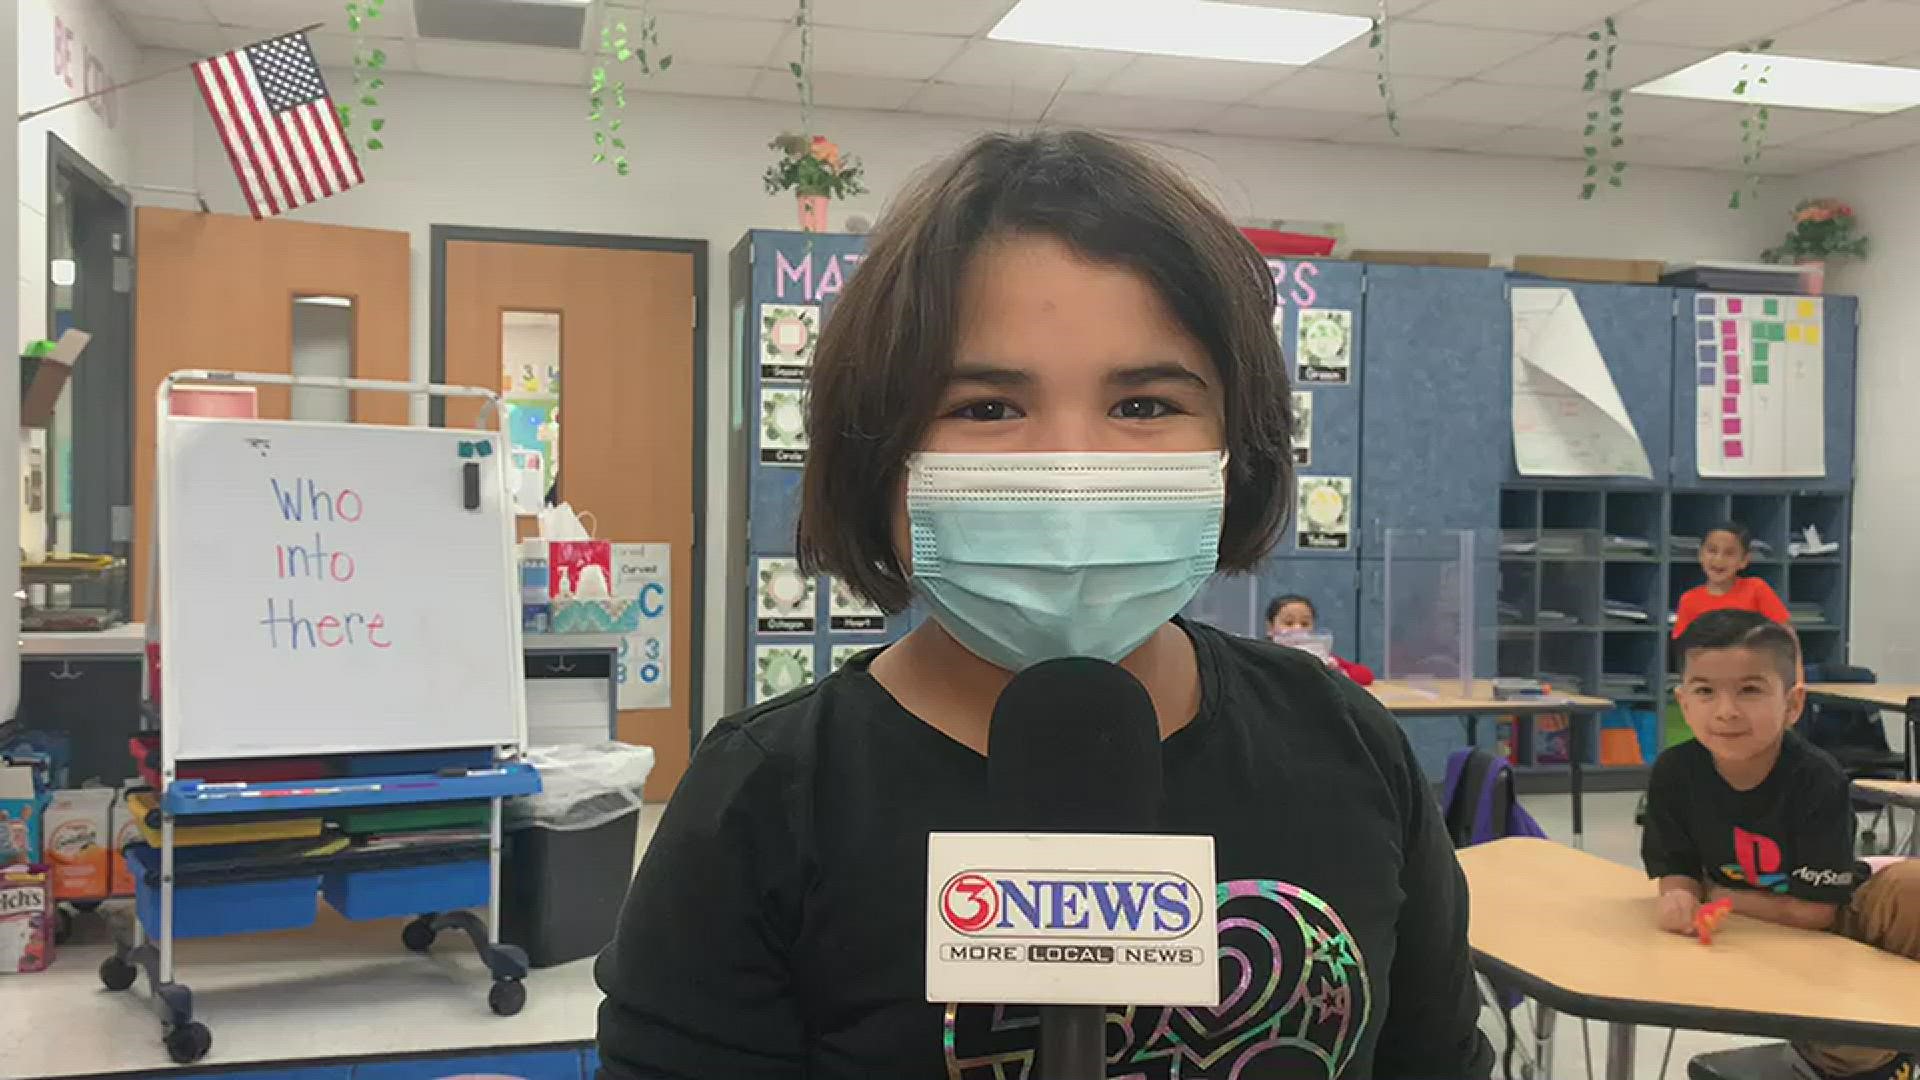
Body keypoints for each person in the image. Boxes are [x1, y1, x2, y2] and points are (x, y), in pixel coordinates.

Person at [595, 131, 1491, 1080]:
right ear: (881, 452)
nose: (1074, 470)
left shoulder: (1348, 745)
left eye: (1144, 405)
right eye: (986, 407)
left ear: (1239, 445)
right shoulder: (767, 801)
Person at [1642, 609, 1920, 1080]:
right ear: (1683, 702)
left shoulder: (1817, 778)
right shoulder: (1674, 773)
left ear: (1792, 705)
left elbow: (1817, 912)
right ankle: (1859, 1052)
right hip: (1751, 925)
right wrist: (1679, 896)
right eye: (1705, 691)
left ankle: (1895, 1041)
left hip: (1832, 909)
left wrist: (1717, 895)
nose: (1726, 710)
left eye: (1749, 690)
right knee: (1847, 1045)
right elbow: (1677, 867)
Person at [1672, 521, 1791, 639]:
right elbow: (1682, 646)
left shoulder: (1756, 589)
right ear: (1700, 555)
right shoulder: (1689, 600)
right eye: (1712, 551)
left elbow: (1786, 634)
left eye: (1729, 553)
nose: (1719, 559)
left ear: (1744, 560)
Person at [1265, 593, 1375, 686]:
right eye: (1288, 623)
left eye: (1305, 624)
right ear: (1270, 627)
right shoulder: (1262, 655)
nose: (1297, 629)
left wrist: (1337, 673)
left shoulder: (1322, 657)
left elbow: (1366, 675)